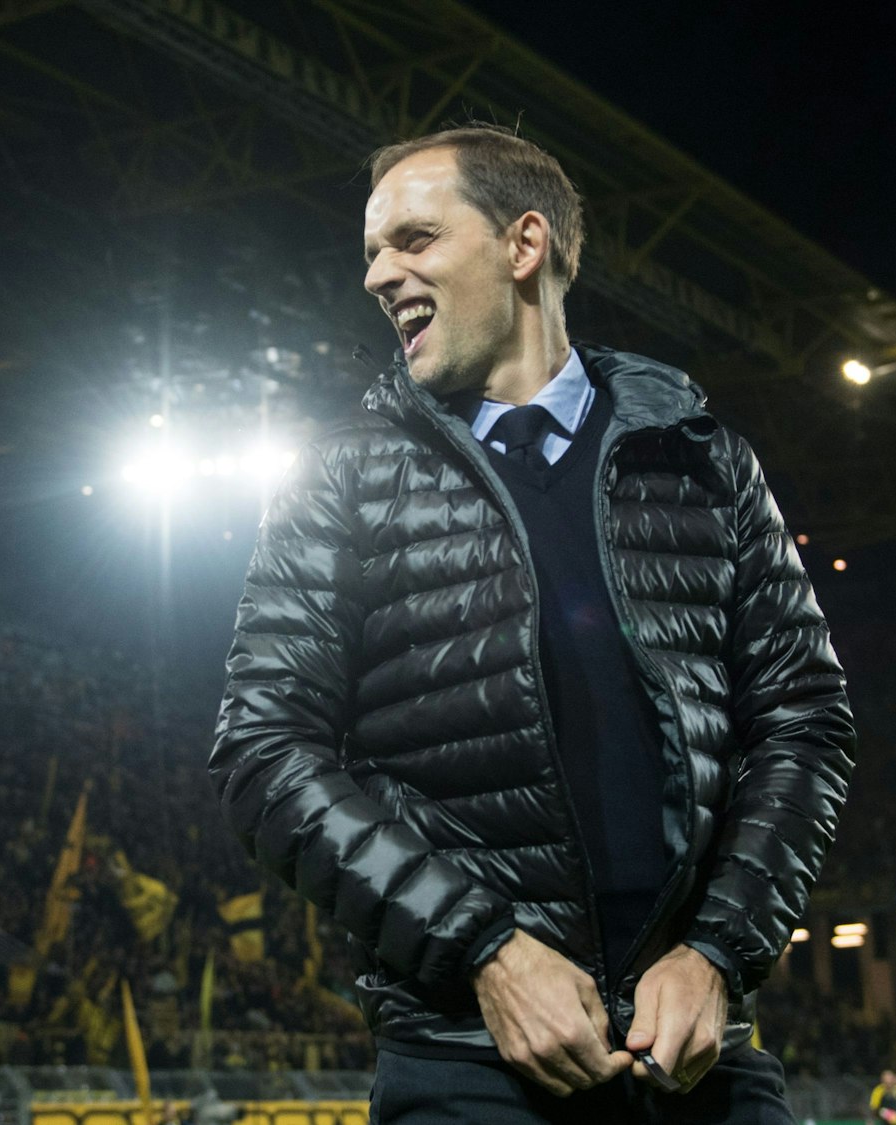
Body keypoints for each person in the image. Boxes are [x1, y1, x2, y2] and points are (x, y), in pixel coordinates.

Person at [211, 124, 853, 1123]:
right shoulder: (339, 480)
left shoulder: (700, 460)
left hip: (697, 1057)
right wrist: (483, 952)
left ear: (523, 246)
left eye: (413, 241)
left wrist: (718, 950)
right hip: (467, 1063)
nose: (380, 276)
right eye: (371, 254)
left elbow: (802, 722)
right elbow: (261, 753)